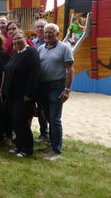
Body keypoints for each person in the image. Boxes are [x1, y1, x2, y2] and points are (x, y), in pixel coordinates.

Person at [37, 23, 74, 161]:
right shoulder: (41, 48)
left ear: (57, 34)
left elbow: (70, 69)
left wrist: (67, 90)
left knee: (55, 118)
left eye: (51, 32)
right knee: (47, 117)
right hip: (43, 87)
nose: (47, 34)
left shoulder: (64, 48)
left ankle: (56, 150)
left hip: (57, 87)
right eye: (46, 32)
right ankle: (51, 144)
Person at [1, 30, 40, 157]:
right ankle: (19, 146)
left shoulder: (31, 52)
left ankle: (27, 150)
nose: (17, 41)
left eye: (19, 38)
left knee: (22, 122)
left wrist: (29, 94)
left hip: (23, 95)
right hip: (12, 94)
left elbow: (34, 75)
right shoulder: (15, 53)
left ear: (25, 38)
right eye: (14, 39)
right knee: (15, 121)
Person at [32, 19, 49, 143]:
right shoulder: (32, 43)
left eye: (42, 26)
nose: (40, 29)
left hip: (45, 81)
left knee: (44, 109)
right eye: (38, 27)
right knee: (33, 108)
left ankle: (45, 133)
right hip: (33, 81)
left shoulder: (49, 43)